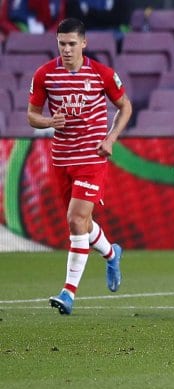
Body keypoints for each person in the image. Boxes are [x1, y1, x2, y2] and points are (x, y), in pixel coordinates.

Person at [27, 17, 132, 315]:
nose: (67, 49)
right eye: (62, 44)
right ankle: (111, 253)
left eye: (72, 43)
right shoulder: (45, 74)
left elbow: (125, 106)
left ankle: (68, 293)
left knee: (76, 219)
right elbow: (32, 116)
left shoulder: (101, 74)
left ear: (84, 43)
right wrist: (49, 121)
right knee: (81, 224)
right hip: (61, 160)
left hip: (91, 159)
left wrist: (111, 138)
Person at [0, 0, 66, 40]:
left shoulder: (57, 2)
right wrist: (18, 34)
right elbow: (3, 20)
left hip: (47, 40)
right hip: (17, 38)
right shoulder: (11, 2)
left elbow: (59, 22)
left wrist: (48, 36)